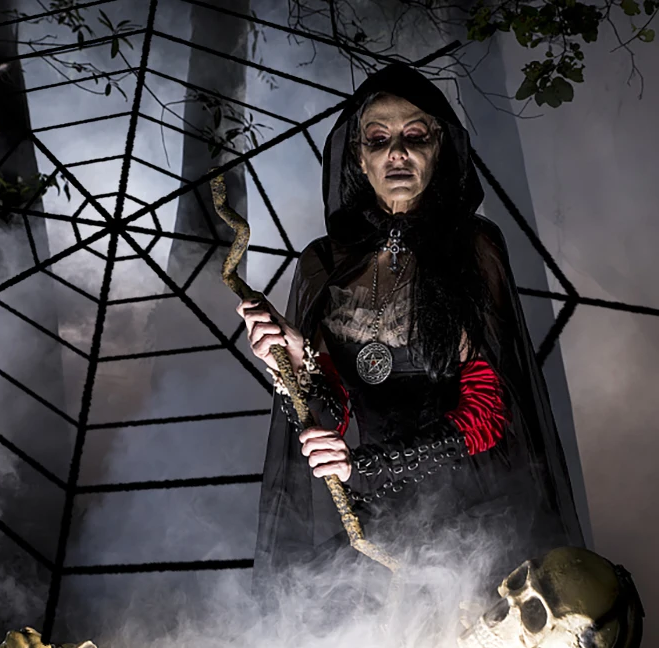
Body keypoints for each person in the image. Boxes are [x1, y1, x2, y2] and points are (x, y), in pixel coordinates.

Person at [237, 62, 585, 605]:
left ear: (438, 148)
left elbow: (490, 413)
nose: (396, 153)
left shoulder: (473, 246)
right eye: (379, 139)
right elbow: (329, 410)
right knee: (314, 618)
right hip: (378, 518)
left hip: (476, 520)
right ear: (359, 158)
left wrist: (365, 465)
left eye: (414, 136)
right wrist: (296, 362)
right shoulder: (323, 263)